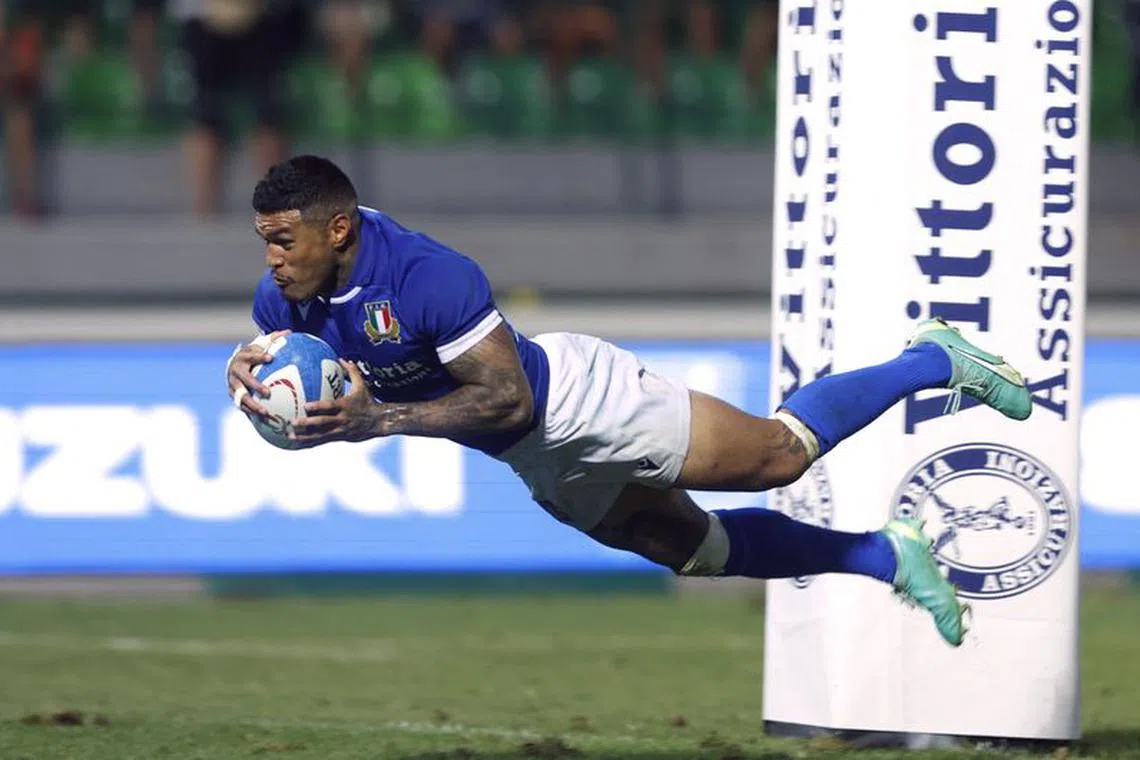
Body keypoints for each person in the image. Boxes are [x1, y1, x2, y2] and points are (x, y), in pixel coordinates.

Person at [226, 156, 1034, 648]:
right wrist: (253, 387)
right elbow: (294, 374)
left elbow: (505, 400)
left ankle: (932, 356)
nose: (271, 261)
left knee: (777, 458)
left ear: (337, 230)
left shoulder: (428, 276)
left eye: (282, 241)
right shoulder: (284, 300)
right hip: (526, 455)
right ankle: (888, 556)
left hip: (574, 402)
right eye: (264, 240)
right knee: (694, 551)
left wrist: (381, 419)